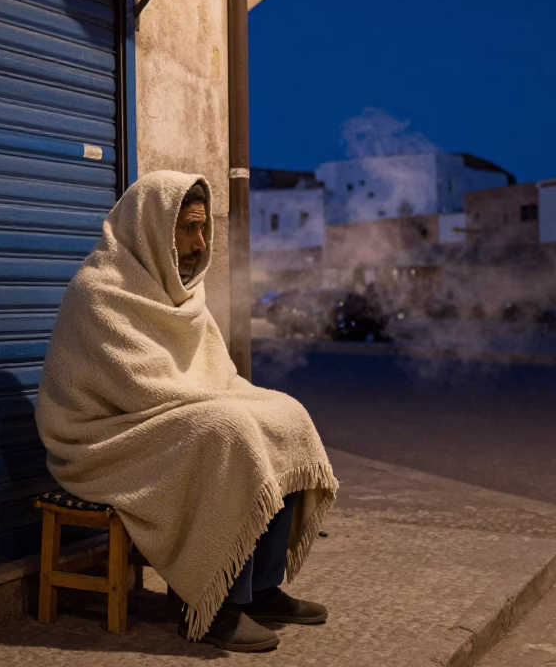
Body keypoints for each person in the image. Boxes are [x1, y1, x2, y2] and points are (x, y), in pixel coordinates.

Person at [36, 171, 337, 652]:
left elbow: (212, 373)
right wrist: (220, 404)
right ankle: (215, 607)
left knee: (285, 415)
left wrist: (230, 399)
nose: (200, 243)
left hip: (163, 415)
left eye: (203, 229)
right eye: (189, 229)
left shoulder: (180, 291)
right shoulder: (98, 291)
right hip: (101, 440)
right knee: (228, 430)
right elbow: (139, 388)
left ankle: (261, 588)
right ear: (152, 230)